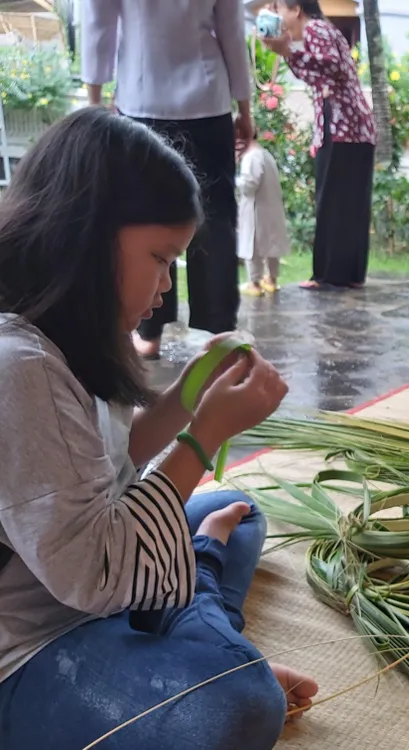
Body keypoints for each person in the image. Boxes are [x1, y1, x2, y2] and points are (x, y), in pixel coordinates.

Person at [0, 109, 317, 749]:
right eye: (160, 257)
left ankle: (194, 613)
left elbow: (120, 454)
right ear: (87, 235)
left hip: (99, 587)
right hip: (34, 644)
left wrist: (191, 391)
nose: (166, 286)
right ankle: (202, 613)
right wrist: (202, 441)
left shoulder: (71, 330)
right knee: (237, 707)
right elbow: (95, 572)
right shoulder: (20, 366)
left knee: (239, 509)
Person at [81, 0, 253, 360]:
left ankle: (149, 330)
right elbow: (232, 31)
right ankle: (220, 327)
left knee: (146, 217)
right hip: (208, 100)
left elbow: (99, 23)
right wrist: (245, 107)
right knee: (217, 218)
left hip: (143, 98)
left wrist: (93, 100)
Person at [260, 0, 377, 291]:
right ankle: (346, 274)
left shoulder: (315, 30)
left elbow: (330, 68)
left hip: (343, 129)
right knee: (349, 204)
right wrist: (287, 51)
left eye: (279, 8)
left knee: (334, 201)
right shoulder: (322, 31)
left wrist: (286, 51)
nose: (277, 15)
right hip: (353, 129)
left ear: (296, 9)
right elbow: (320, 74)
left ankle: (329, 275)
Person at [238, 130, 291, 296]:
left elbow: (249, 185)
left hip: (255, 209)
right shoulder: (266, 155)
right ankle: (272, 278)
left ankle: (254, 282)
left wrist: (233, 180)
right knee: (271, 244)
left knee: (252, 245)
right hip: (271, 207)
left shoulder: (251, 157)